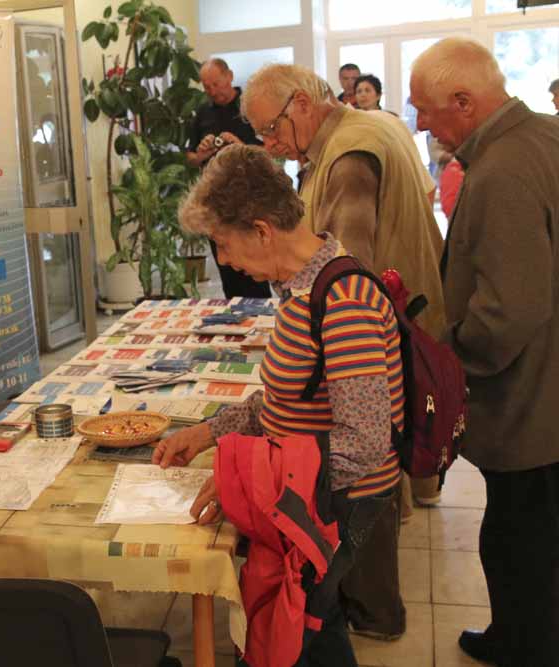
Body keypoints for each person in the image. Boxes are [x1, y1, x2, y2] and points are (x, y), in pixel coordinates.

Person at [155, 144, 404, 665]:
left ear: (262, 230)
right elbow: (287, 397)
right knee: (316, 623)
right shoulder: (299, 287)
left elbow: (363, 443)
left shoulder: (344, 301)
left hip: (341, 500)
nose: (224, 260)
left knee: (296, 627)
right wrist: (208, 432)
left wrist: (252, 480)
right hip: (310, 493)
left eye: (223, 244)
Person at [242, 62, 450, 641]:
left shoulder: (348, 156)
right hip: (407, 317)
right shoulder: (371, 126)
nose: (270, 144)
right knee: (380, 459)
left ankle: (374, 613)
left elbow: (344, 263)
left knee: (367, 469)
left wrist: (297, 332)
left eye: (272, 129)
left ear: (302, 104)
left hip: (378, 328)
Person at [411, 37, 559, 665]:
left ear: (464, 102)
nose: (421, 123)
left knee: (519, 539)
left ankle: (523, 646)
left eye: (426, 109)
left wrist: (451, 358)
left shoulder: (501, 171)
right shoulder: (546, 134)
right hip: (548, 381)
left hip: (529, 399)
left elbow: (509, 312)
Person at [185, 58, 270, 299]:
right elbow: (190, 157)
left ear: (230, 76)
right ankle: (233, 312)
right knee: (226, 269)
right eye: (207, 87)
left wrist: (240, 146)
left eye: (217, 84)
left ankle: (261, 312)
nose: (213, 91)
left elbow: (272, 151)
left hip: (250, 200)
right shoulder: (203, 113)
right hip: (215, 202)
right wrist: (202, 153)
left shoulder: (251, 107)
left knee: (254, 268)